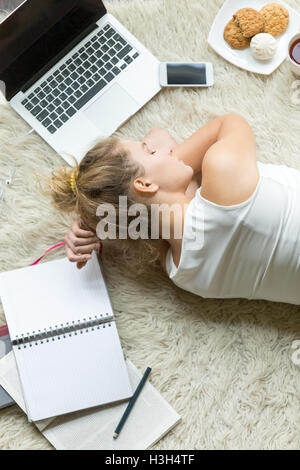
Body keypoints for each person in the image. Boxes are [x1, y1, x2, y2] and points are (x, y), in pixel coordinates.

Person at [48, 113, 300, 305]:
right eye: (149, 150)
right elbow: (230, 122)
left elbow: (159, 141)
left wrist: (94, 218)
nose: (164, 148)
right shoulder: (222, 172)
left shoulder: (179, 271)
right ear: (145, 184)